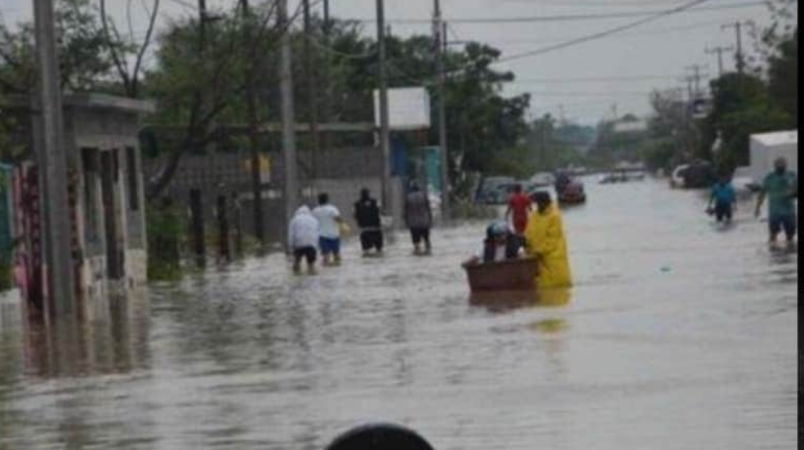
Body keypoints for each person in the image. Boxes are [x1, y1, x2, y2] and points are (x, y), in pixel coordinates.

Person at [524, 191, 572, 289]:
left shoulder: (555, 216)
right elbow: (528, 232)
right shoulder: (534, 215)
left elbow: (552, 238)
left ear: (545, 202)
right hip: (537, 254)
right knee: (540, 285)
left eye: (538, 202)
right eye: (536, 203)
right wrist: (526, 245)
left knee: (558, 284)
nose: (536, 205)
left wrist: (539, 250)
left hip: (553, 255)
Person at [755, 157, 798, 244]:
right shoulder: (769, 177)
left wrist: (792, 193)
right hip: (775, 211)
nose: (781, 166)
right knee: (773, 235)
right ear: (775, 166)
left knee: (790, 236)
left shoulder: (792, 175)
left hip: (789, 211)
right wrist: (757, 207)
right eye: (779, 165)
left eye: (783, 164)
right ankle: (773, 253)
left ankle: (788, 253)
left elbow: (796, 189)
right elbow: (762, 193)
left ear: (786, 165)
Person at [313, 193, 343, 266]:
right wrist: (343, 226)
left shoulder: (315, 211)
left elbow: (312, 223)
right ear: (327, 200)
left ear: (318, 200)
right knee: (337, 255)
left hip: (322, 236)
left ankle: (326, 271)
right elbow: (339, 219)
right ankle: (338, 271)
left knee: (326, 256)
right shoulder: (332, 209)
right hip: (335, 235)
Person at [288, 205, 319, 274]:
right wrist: (315, 247)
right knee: (311, 265)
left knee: (297, 262)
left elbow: (291, 234)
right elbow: (317, 234)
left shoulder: (294, 220)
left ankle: (296, 269)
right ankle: (311, 270)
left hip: (298, 245)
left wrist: (291, 246)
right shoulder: (314, 220)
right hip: (311, 245)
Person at [404, 181, 433, 254]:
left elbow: (406, 211)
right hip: (424, 222)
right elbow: (428, 208)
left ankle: (417, 251)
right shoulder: (424, 195)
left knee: (416, 241)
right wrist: (430, 219)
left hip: (413, 223)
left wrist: (406, 221)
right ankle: (428, 249)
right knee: (426, 239)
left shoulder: (408, 197)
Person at [354, 188, 384, 255]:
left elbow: (355, 216)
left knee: (366, 251)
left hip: (365, 230)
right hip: (376, 228)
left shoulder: (357, 204)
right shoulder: (376, 201)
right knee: (379, 250)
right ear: (369, 193)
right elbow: (381, 212)